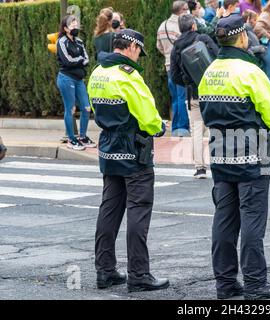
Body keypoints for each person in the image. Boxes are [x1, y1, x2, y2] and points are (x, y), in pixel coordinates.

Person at [198, 14, 270, 300]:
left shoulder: (210, 71)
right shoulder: (250, 72)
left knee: (224, 218)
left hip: (220, 151)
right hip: (253, 149)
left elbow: (205, 112)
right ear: (241, 38)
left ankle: (225, 283)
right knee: (252, 219)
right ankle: (255, 284)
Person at [88, 29, 169, 292]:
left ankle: (105, 270)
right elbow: (147, 115)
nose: (139, 56)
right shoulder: (128, 76)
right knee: (138, 209)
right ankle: (139, 274)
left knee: (109, 210)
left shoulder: (98, 73)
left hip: (108, 148)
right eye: (139, 51)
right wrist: (159, 127)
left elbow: (94, 107)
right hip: (134, 149)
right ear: (131, 47)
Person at [170, 14, 219, 179]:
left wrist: (186, 82)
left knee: (197, 130)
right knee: (214, 127)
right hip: (212, 90)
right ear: (193, 26)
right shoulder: (203, 38)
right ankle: (218, 162)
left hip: (193, 92)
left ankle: (200, 167)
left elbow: (174, 75)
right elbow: (217, 56)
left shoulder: (176, 46)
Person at [56, 15, 96, 151]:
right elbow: (67, 61)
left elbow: (87, 59)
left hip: (79, 80)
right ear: (66, 28)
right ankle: (71, 140)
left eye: (76, 25)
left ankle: (83, 137)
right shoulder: (61, 42)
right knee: (71, 109)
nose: (76, 27)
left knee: (86, 108)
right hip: (66, 79)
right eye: (72, 25)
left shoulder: (79, 41)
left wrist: (77, 59)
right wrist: (79, 60)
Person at [157, 1, 190, 137]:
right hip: (180, 66)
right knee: (182, 97)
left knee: (175, 98)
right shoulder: (180, 26)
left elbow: (158, 46)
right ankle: (182, 128)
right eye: (187, 9)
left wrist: (167, 55)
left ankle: (176, 127)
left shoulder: (162, 25)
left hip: (168, 66)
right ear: (182, 10)